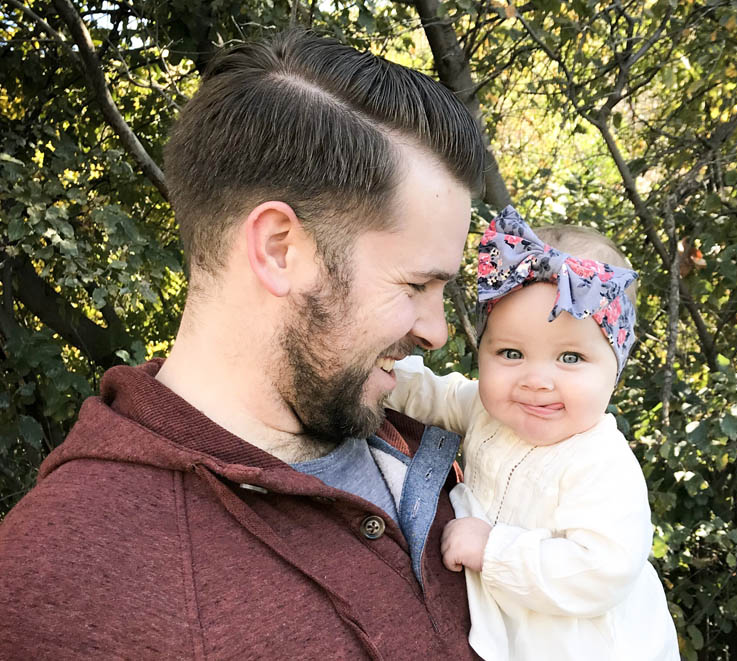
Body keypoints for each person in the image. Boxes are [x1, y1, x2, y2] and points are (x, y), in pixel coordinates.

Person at [0, 30, 486, 659]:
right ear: (279, 248)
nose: (437, 330)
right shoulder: (58, 590)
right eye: (418, 283)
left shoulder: (456, 449)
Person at [386, 206, 681, 660]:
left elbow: (603, 568)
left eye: (570, 359)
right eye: (510, 352)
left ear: (614, 370)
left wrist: (495, 552)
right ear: (481, 352)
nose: (537, 380)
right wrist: (384, 370)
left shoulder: (600, 462)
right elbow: (434, 396)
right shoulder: (489, 409)